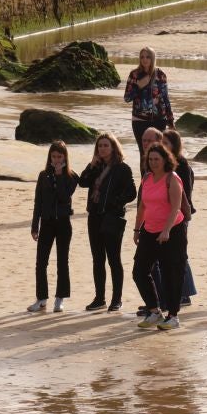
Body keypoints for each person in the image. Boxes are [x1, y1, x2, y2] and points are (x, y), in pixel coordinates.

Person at [78, 133, 137, 312]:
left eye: (106, 145)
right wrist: (91, 164)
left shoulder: (122, 168)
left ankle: (116, 299)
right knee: (97, 259)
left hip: (112, 218)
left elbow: (132, 193)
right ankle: (99, 298)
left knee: (113, 259)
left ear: (113, 148)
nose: (102, 149)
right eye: (100, 146)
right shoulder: (95, 167)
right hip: (94, 216)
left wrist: (115, 203)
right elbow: (82, 182)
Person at [132, 144, 188, 330]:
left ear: (165, 159)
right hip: (150, 230)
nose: (153, 162)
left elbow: (175, 207)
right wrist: (137, 229)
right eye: (150, 159)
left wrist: (166, 230)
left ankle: (173, 316)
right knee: (139, 271)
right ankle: (154, 311)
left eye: (157, 159)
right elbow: (142, 206)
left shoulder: (172, 178)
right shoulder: (147, 178)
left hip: (173, 232)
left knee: (171, 273)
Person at [30, 141, 79, 313]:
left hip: (63, 223)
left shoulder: (72, 177)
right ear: (49, 157)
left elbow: (64, 197)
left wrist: (59, 175)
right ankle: (41, 299)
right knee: (41, 262)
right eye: (54, 156)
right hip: (47, 223)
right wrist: (35, 225)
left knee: (62, 262)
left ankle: (60, 298)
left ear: (65, 157)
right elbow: (38, 202)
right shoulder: (43, 175)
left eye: (59, 156)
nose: (56, 160)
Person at [162, 129, 197, 307]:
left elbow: (186, 195)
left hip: (180, 216)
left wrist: (179, 214)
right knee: (171, 256)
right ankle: (176, 293)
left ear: (174, 146)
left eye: (166, 143)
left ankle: (185, 293)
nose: (162, 145)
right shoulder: (163, 163)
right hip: (165, 215)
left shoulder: (182, 165)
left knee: (179, 256)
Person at [124, 47, 175, 161]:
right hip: (139, 121)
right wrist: (138, 86)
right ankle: (145, 179)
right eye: (142, 57)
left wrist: (170, 121)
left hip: (159, 120)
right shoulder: (134, 75)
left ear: (152, 58)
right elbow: (127, 98)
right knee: (144, 154)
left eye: (147, 57)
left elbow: (166, 99)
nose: (144, 60)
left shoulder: (160, 74)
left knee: (159, 153)